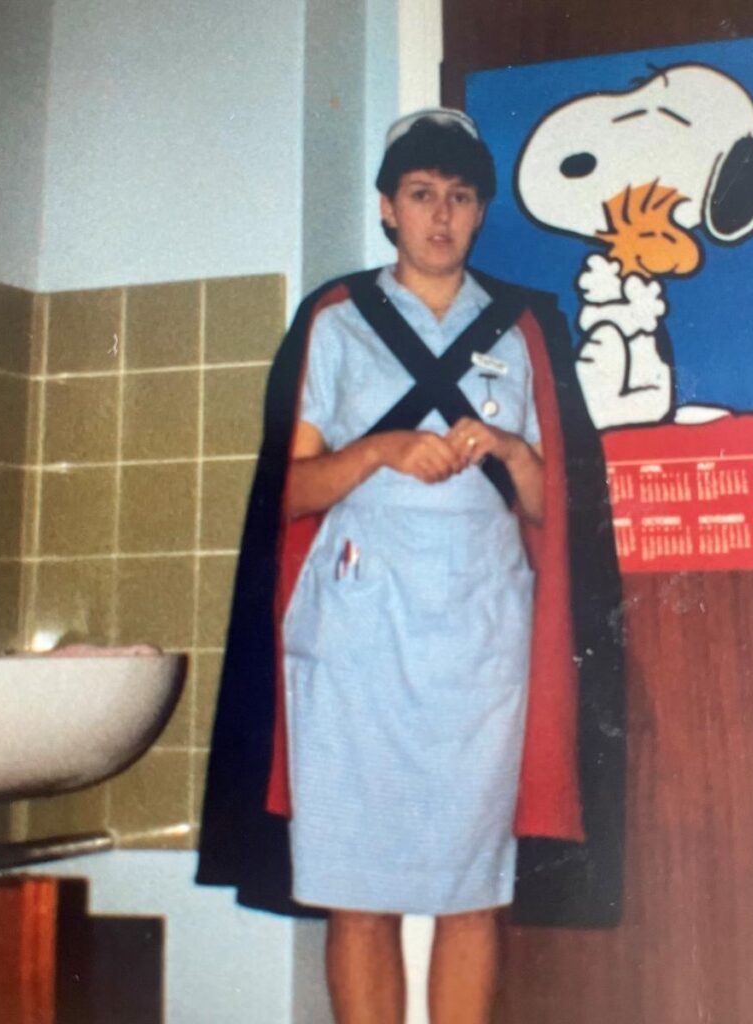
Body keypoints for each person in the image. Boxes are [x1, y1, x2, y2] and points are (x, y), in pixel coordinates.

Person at [197, 109, 626, 1024]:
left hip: (480, 640)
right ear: (387, 209)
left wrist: (511, 450)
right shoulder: (337, 321)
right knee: (360, 889)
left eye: (461, 198)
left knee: (475, 888)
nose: (441, 216)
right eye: (423, 195)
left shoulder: (523, 328)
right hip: (356, 636)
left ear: (480, 215)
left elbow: (563, 521)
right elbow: (289, 492)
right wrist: (383, 450)